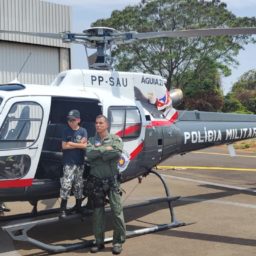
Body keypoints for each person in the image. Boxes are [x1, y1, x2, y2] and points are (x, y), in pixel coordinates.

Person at [86, 115, 126, 255]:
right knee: (98, 213)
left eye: (101, 123)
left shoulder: (115, 139)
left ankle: (118, 242)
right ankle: (99, 242)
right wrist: (105, 150)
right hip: (97, 181)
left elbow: (116, 152)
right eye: (96, 123)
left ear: (107, 124)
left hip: (112, 181)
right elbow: (89, 154)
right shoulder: (91, 140)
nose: (98, 125)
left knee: (117, 211)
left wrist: (99, 152)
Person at [59, 109, 87, 218]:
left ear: (78, 120)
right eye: (69, 120)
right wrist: (77, 144)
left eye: (73, 120)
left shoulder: (83, 131)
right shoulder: (65, 131)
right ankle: (62, 208)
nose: (70, 122)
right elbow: (64, 146)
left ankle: (78, 206)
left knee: (78, 184)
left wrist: (71, 143)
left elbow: (85, 145)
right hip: (68, 163)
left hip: (80, 162)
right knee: (66, 184)